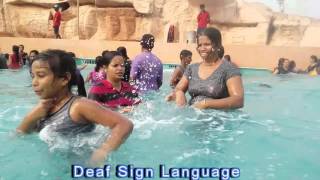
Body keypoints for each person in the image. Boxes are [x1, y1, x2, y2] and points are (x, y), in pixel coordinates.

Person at [16, 49, 133, 166]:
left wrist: (102, 152)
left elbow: (124, 125)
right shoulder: (44, 108)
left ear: (64, 79)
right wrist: (33, 115)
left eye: (41, 75)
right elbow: (20, 134)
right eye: (33, 76)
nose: (34, 82)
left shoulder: (78, 106)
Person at [166, 27, 244, 109]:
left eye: (207, 44)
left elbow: (238, 100)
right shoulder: (192, 69)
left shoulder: (228, 68)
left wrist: (207, 104)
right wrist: (178, 94)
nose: (202, 48)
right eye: (200, 45)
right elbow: (178, 89)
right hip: (192, 117)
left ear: (217, 45)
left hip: (218, 119)